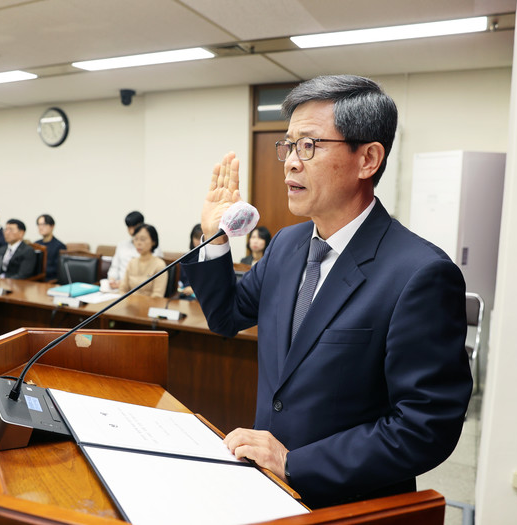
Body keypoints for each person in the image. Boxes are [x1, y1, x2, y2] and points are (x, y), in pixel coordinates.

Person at [181, 75, 472, 509]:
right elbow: (226, 317)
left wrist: (294, 463)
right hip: (268, 492)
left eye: (308, 146)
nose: (290, 163)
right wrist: (215, 238)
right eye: (288, 146)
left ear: (367, 159)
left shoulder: (420, 273)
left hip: (349, 506)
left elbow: (425, 427)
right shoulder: (286, 245)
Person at [107, 211, 163, 289]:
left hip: (139, 288)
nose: (131, 231)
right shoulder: (122, 245)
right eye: (129, 228)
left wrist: (125, 283)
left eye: (134, 227)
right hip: (118, 287)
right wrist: (112, 280)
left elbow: (151, 275)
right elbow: (114, 267)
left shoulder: (152, 248)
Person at [118, 224, 167, 298]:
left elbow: (157, 296)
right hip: (129, 303)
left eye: (142, 239)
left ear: (153, 241)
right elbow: (122, 289)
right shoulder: (132, 262)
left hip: (149, 304)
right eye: (136, 239)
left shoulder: (159, 265)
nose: (138, 243)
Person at [34, 214, 66, 281]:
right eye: (39, 224)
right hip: (34, 278)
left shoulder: (59, 246)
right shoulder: (36, 244)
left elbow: (58, 269)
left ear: (52, 226)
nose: (40, 227)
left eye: (44, 224)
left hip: (49, 280)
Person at [178, 223, 202, 296]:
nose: (199, 241)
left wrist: (194, 289)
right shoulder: (185, 257)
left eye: (202, 238)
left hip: (201, 295)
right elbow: (181, 279)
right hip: (184, 293)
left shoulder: (210, 258)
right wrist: (179, 285)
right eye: (196, 238)